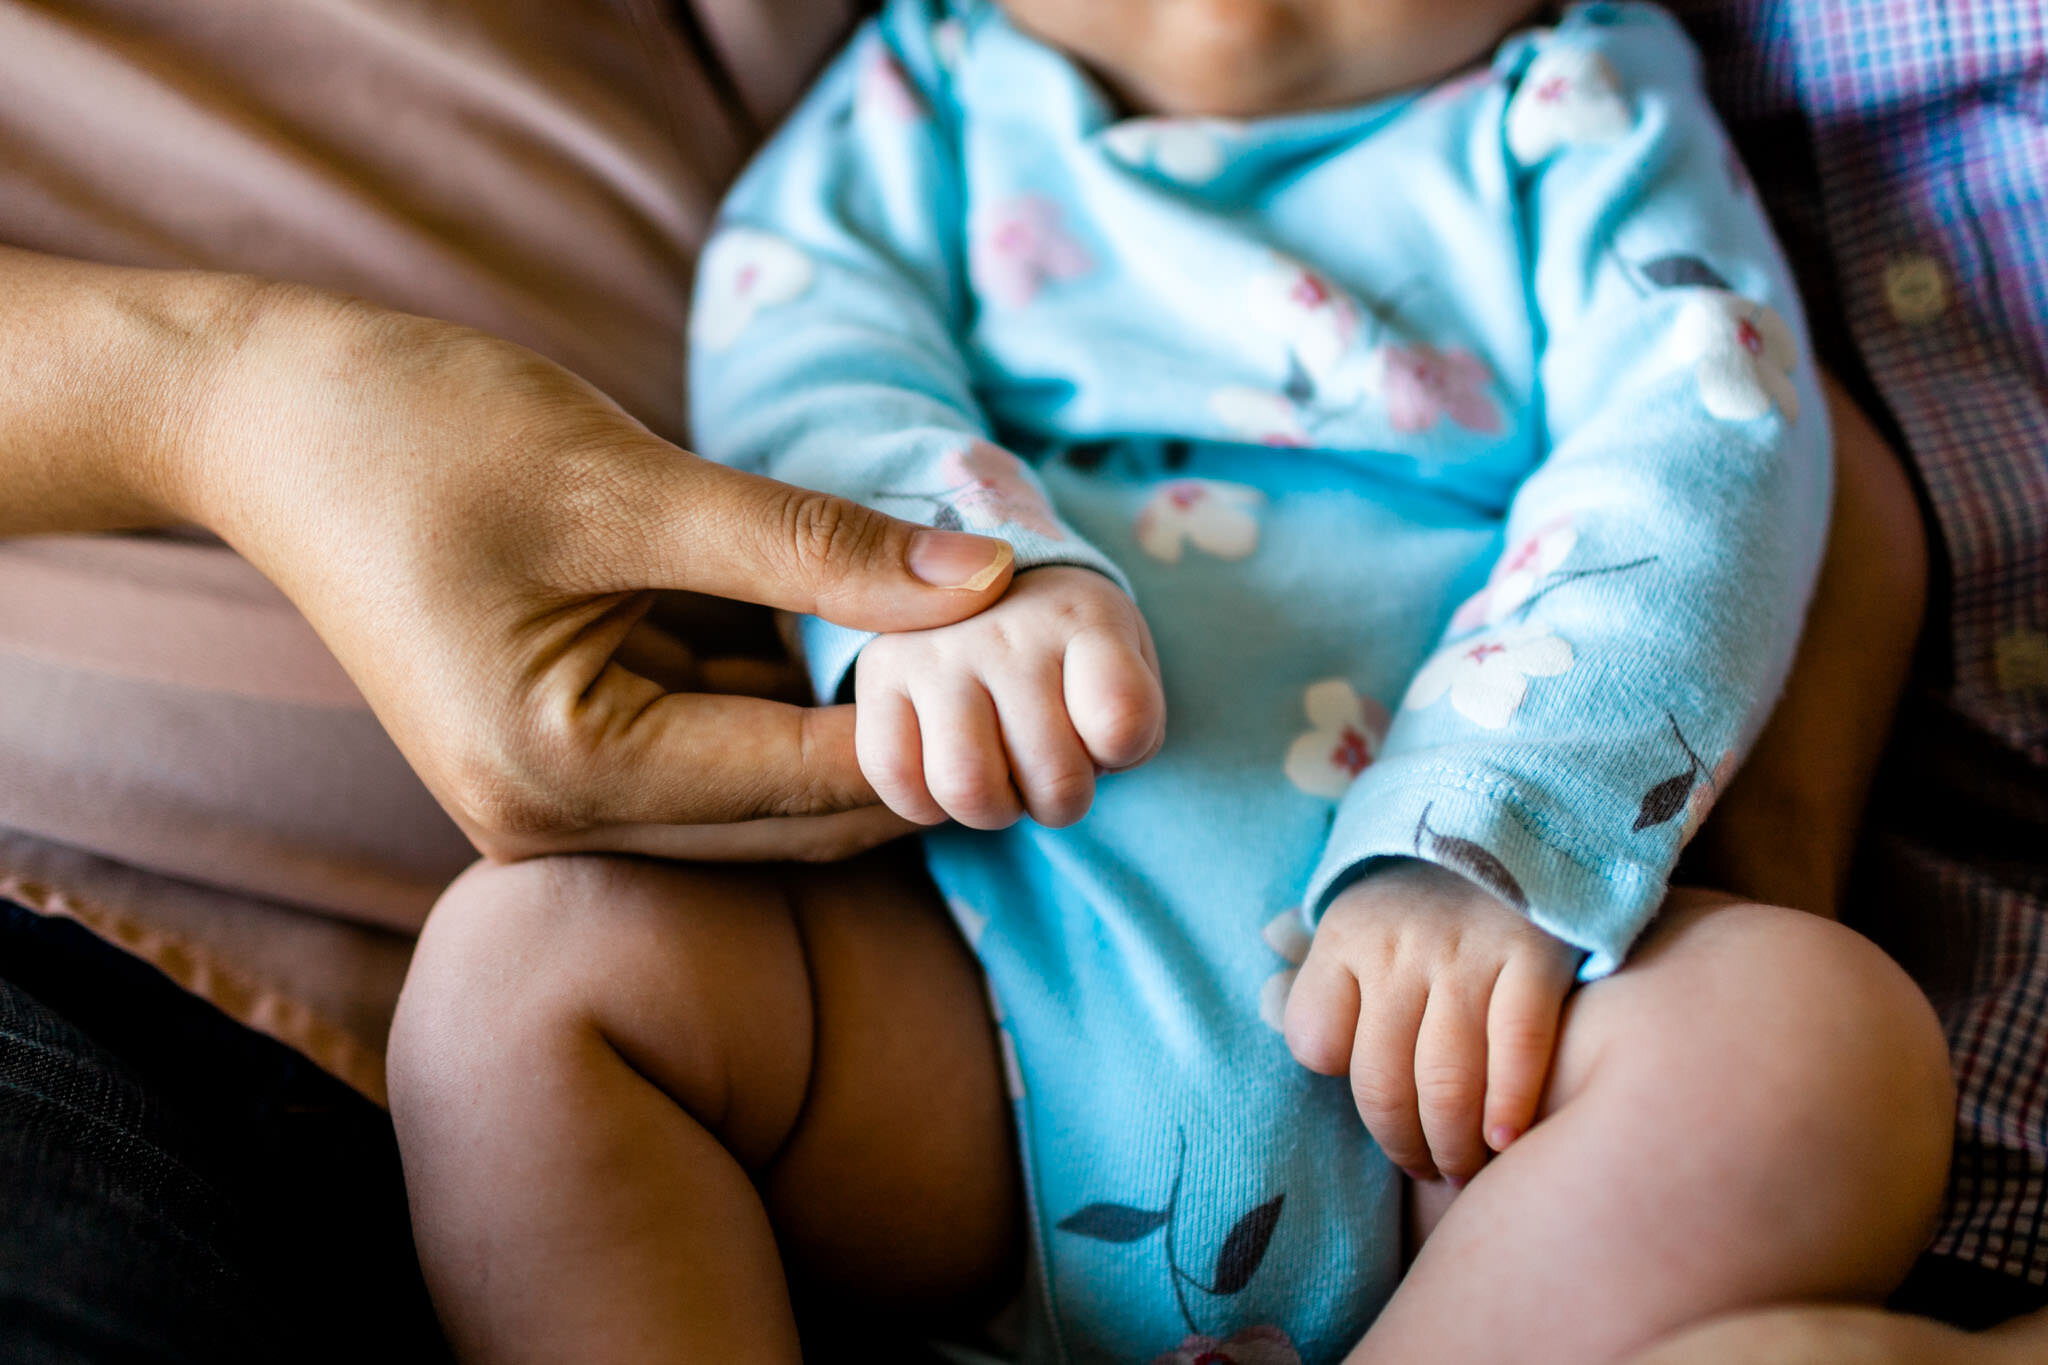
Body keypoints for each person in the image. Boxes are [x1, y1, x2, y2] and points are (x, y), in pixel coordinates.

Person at [384, 2, 1952, 1362]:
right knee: (517, 974)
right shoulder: (927, 95)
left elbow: (1700, 450)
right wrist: (952, 579)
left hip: (1460, 1067)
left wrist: (1495, 832)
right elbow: (803, 361)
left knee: (1817, 1052)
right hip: (981, 1006)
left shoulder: (1580, 110)